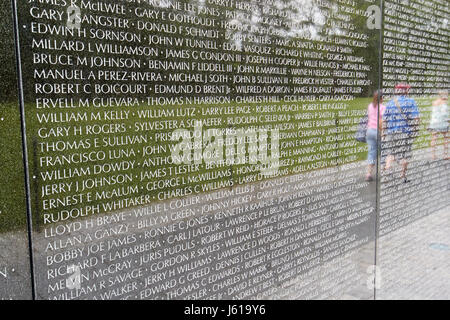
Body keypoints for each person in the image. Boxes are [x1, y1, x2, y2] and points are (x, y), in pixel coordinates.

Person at [382, 83, 421, 183]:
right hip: (405, 132)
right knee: (405, 155)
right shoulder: (411, 101)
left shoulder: (390, 103)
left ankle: (387, 171)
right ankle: (402, 176)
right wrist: (416, 129)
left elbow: (385, 120)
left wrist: (383, 133)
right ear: (406, 91)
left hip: (391, 132)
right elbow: (416, 118)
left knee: (390, 154)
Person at [365, 90, 385, 182]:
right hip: (378, 131)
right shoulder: (382, 107)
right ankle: (385, 173)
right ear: (381, 98)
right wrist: (383, 132)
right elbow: (382, 121)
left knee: (371, 153)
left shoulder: (370, 106)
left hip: (369, 131)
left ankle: (368, 173)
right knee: (384, 152)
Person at [428, 90, 449, 160]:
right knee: (446, 138)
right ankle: (445, 155)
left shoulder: (434, 102)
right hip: (442, 123)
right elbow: (444, 114)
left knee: (434, 138)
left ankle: (433, 155)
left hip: (434, 123)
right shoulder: (443, 103)